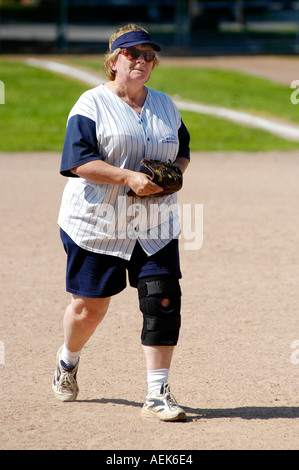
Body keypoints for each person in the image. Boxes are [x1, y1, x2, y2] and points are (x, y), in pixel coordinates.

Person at [52, 24, 190, 422]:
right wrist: (128, 177)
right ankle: (68, 361)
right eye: (133, 54)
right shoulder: (90, 105)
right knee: (89, 309)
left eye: (149, 55)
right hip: (98, 222)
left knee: (162, 301)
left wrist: (174, 173)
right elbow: (78, 162)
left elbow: (182, 150)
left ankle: (157, 392)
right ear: (114, 61)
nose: (142, 61)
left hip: (155, 222)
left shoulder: (165, 104)